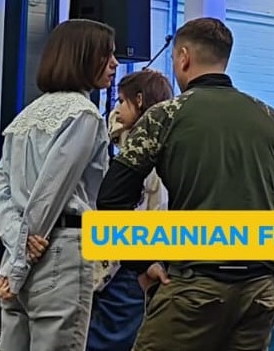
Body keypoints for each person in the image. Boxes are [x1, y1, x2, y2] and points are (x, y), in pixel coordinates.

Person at [96, 17, 274, 351]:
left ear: (184, 57)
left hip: (193, 286)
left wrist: (142, 261)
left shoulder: (165, 116)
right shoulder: (272, 119)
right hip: (260, 291)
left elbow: (111, 200)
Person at [0, 19, 118, 350]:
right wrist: (20, 261)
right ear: (82, 57)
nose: (115, 63)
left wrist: (16, 246)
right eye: (107, 55)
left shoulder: (25, 116)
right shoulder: (84, 115)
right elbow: (51, 191)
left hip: (21, 249)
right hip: (59, 250)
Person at [87, 70, 173, 351]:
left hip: (130, 264)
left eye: (122, 102)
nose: (116, 110)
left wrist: (146, 260)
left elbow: (156, 209)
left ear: (139, 101)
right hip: (119, 261)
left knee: (110, 340)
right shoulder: (133, 142)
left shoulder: (148, 156)